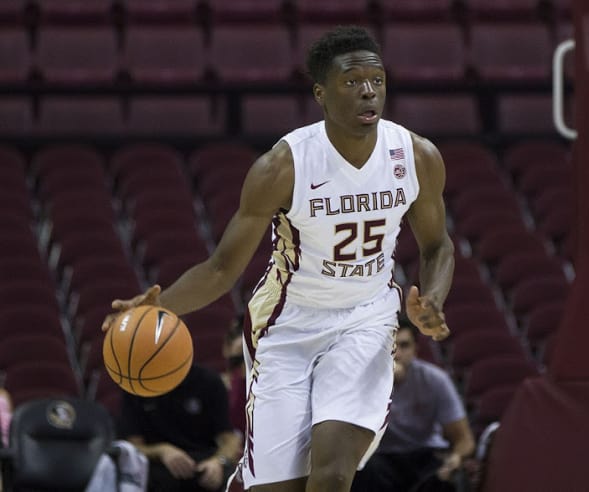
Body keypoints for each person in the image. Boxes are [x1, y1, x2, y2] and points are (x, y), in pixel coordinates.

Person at [103, 25, 454, 492]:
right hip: (287, 325)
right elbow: (221, 268)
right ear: (321, 94)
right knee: (281, 485)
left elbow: (437, 246)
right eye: (352, 83)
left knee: (332, 472)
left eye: (377, 80)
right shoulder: (283, 166)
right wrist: (158, 306)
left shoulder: (416, 156)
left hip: (366, 319)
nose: (369, 91)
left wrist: (432, 296)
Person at [351, 321, 475, 492]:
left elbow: (464, 439)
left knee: (445, 476)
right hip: (382, 456)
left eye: (404, 345)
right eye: (391, 346)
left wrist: (455, 458)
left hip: (424, 453)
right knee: (361, 470)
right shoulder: (363, 381)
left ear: (416, 349)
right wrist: (382, 382)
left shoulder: (434, 380)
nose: (398, 353)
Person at [118, 363, 242, 492]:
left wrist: (219, 462)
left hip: (204, 463)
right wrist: (162, 451)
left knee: (231, 475)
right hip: (158, 468)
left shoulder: (209, 381)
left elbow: (230, 440)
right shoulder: (135, 386)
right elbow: (132, 448)